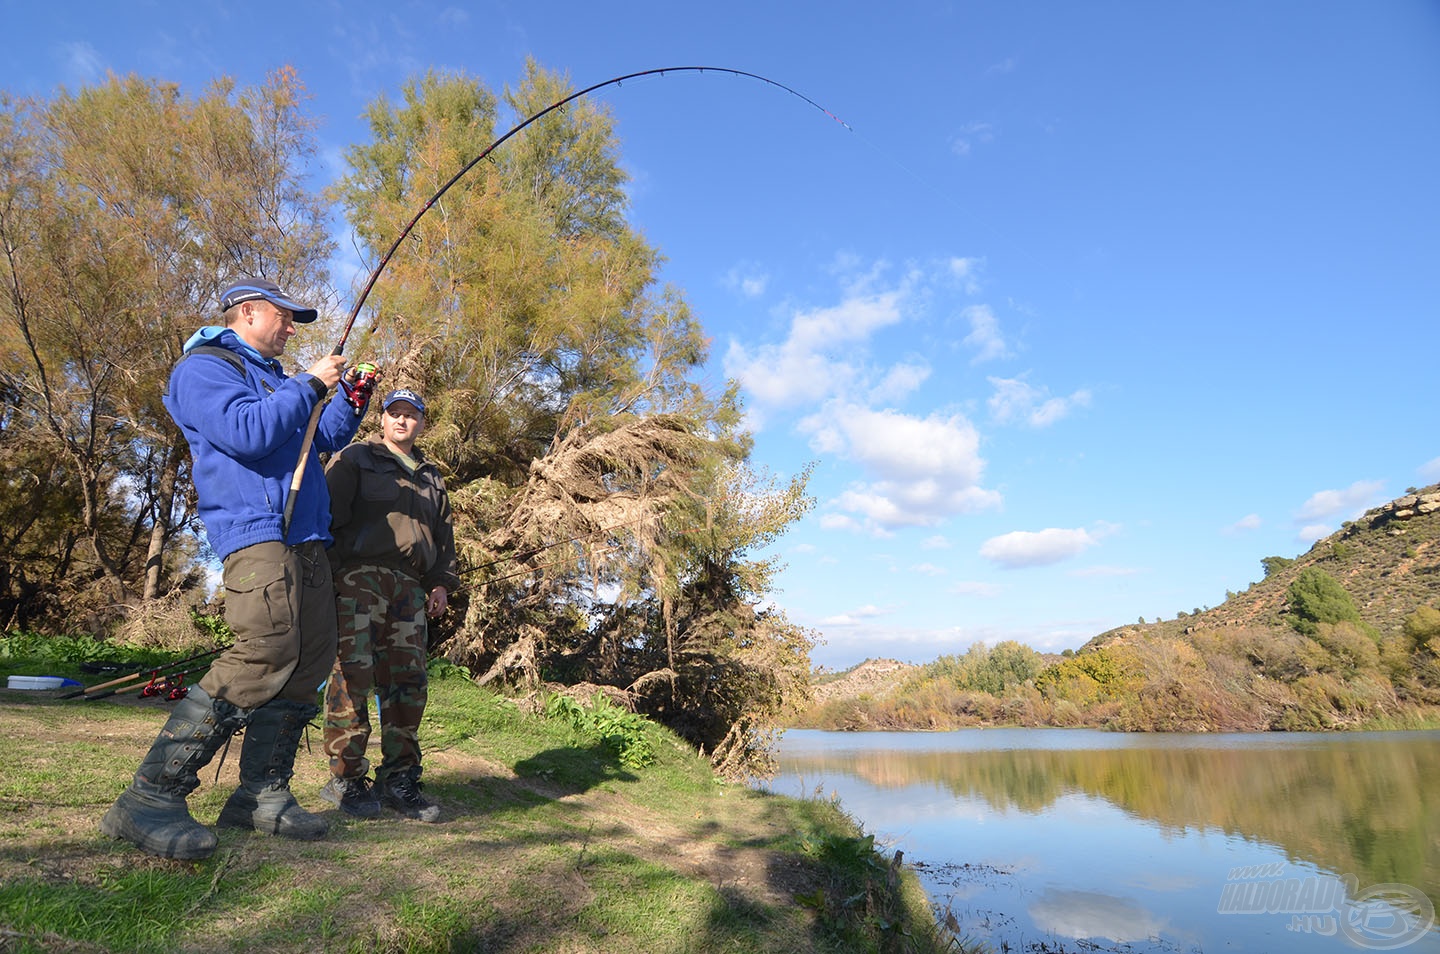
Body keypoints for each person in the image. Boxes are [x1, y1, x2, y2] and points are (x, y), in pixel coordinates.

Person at [101, 277, 376, 860]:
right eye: (285, 316)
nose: (292, 327)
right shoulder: (205, 368)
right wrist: (308, 384)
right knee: (265, 652)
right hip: (258, 533)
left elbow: (317, 438)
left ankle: (261, 796)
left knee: (310, 658)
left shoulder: (277, 380)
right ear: (248, 312)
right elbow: (247, 434)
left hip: (306, 536)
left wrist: (349, 399)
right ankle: (150, 795)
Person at [320, 387, 459, 822]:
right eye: (394, 413)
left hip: (411, 589)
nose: (402, 421)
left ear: (421, 423)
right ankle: (345, 777)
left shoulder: (431, 475)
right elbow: (324, 518)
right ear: (382, 419)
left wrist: (440, 584)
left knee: (408, 684)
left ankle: (399, 779)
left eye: (411, 415)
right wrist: (326, 579)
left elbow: (443, 537)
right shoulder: (355, 458)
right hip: (358, 581)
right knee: (353, 676)